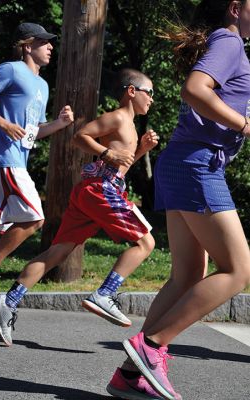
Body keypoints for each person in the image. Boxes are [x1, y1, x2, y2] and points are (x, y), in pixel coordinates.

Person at [106, 1, 250, 400]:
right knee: (238, 270)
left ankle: (130, 376)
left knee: (187, 275)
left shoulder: (226, 44)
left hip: (183, 161)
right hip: (199, 164)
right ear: (235, 8)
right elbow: (194, 89)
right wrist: (243, 124)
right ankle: (150, 348)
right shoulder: (230, 40)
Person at [0, 68, 158, 346]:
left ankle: (8, 299)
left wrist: (140, 152)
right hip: (101, 190)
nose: (152, 99)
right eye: (149, 92)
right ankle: (105, 294)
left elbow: (121, 168)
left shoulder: (131, 126)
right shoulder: (117, 117)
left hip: (94, 191)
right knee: (146, 243)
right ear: (131, 91)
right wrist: (107, 152)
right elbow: (80, 135)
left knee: (58, 251)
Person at [0, 21, 74, 302]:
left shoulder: (42, 86)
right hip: (2, 157)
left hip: (16, 159)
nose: (50, 47)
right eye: (44, 42)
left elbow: (33, 132)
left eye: (51, 43)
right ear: (27, 46)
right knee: (35, 218)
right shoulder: (11, 70)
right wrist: (3, 124)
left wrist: (59, 123)